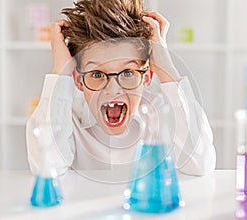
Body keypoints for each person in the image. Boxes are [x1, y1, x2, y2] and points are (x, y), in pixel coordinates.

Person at [26, 0, 216, 179]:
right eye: (97, 74)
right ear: (78, 80)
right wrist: (61, 73)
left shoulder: (162, 113)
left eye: (127, 73)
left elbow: (199, 164)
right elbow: (46, 167)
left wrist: (167, 68)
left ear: (147, 76)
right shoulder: (67, 116)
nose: (113, 90)